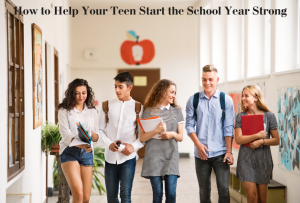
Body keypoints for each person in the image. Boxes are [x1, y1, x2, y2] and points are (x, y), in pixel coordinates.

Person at [185, 65, 235, 203]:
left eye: (211, 79)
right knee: (204, 191)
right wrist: (198, 145)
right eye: (204, 79)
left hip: (221, 153)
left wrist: (229, 151)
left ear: (217, 79)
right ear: (201, 79)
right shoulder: (193, 100)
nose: (207, 83)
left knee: (224, 190)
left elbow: (229, 127)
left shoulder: (226, 100)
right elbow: (189, 126)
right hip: (201, 154)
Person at [98, 72, 144, 203]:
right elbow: (99, 130)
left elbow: (143, 136)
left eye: (120, 87)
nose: (117, 90)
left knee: (125, 195)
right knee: (111, 198)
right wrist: (108, 144)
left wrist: (133, 147)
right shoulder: (106, 105)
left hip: (128, 158)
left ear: (130, 88)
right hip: (110, 158)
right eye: (115, 86)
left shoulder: (138, 108)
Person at [140, 79, 184, 203]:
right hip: (153, 156)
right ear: (162, 91)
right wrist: (156, 131)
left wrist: (172, 134)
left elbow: (181, 137)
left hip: (171, 156)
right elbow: (142, 138)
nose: (173, 95)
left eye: (175, 93)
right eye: (171, 92)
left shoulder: (177, 111)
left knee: (171, 194)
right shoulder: (148, 111)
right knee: (157, 194)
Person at [234, 85, 279, 203]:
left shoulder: (269, 116)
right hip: (246, 160)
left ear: (256, 98)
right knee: (252, 197)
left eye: (246, 96)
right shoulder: (240, 116)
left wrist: (262, 141)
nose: (243, 98)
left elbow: (276, 140)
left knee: (262, 200)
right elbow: (238, 139)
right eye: (242, 95)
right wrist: (256, 136)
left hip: (263, 160)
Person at [58, 78, 100, 203]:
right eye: (77, 93)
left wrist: (91, 134)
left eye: (84, 92)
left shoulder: (92, 111)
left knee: (86, 199)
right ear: (72, 93)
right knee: (79, 194)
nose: (81, 96)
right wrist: (81, 145)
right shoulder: (64, 111)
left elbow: (97, 137)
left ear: (87, 93)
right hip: (69, 151)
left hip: (87, 153)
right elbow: (66, 135)